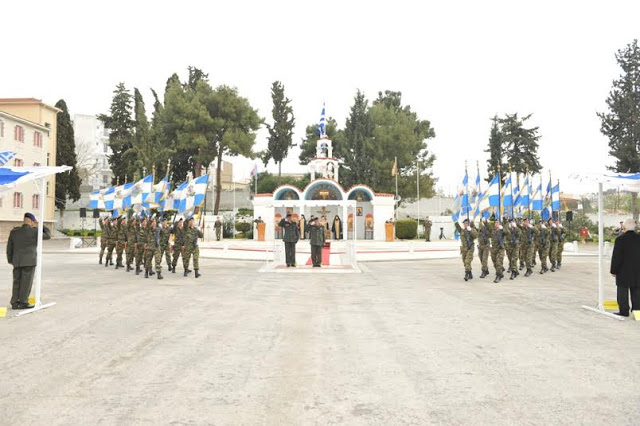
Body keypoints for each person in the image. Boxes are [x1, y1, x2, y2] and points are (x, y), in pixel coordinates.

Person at [6, 212, 51, 309]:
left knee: (16, 281)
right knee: (26, 283)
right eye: (33, 222)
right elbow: (48, 235)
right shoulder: (35, 232)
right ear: (31, 221)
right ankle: (23, 302)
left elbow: (9, 247)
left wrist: (10, 259)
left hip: (16, 261)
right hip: (29, 261)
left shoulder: (14, 231)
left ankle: (14, 302)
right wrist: (41, 225)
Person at [610, 218, 640, 317]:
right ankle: (637, 311)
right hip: (637, 269)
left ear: (625, 227)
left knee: (622, 290)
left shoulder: (620, 240)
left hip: (623, 270)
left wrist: (613, 270)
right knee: (636, 290)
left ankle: (624, 311)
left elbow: (616, 256)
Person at [490, 219, 506, 283]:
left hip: (500, 248)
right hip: (494, 249)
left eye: (497, 223)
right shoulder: (493, 230)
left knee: (498, 262)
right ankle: (501, 272)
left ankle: (498, 276)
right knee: (494, 262)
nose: (496, 224)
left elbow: (507, 233)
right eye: (495, 222)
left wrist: (502, 229)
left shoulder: (502, 230)